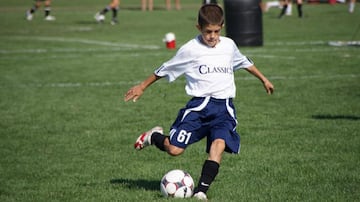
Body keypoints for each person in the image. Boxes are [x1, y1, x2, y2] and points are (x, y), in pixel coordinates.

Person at [124, 4, 274, 200]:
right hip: (199, 109)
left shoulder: (228, 45)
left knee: (218, 145)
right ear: (198, 28)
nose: (212, 36)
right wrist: (142, 86)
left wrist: (263, 79)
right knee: (174, 150)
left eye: (216, 31)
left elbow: (244, 62)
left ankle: (201, 191)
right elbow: (165, 68)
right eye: (207, 32)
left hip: (224, 109)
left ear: (222, 26)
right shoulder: (190, 49)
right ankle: (153, 137)